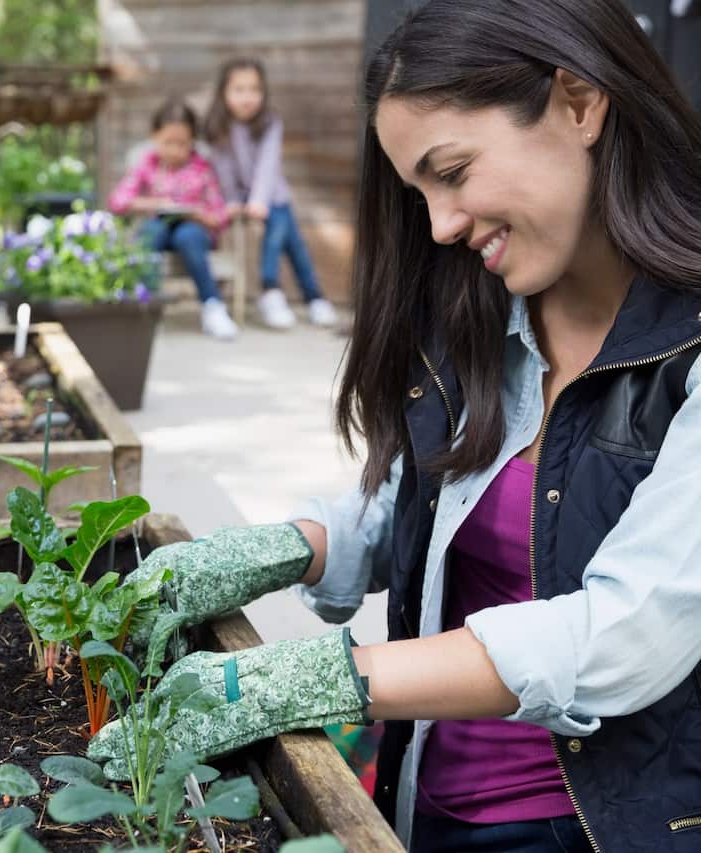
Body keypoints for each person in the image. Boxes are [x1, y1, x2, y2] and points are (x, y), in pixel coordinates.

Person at [90, 1, 701, 851]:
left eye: (451, 171)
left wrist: (314, 675)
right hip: (420, 800)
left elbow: (626, 632)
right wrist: (286, 546)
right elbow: (425, 511)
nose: (441, 226)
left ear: (579, 102)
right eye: (419, 192)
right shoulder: (487, 317)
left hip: (594, 826)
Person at [204, 58, 338, 330]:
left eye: (254, 89)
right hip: (240, 197)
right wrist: (231, 201)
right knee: (286, 237)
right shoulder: (217, 127)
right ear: (224, 93)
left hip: (272, 196)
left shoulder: (270, 123)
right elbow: (223, 169)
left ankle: (288, 293)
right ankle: (285, 295)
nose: (248, 97)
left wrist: (259, 200)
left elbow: (268, 165)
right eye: (239, 89)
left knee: (289, 241)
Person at [109, 97, 238, 340]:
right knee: (152, 231)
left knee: (187, 235)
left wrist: (196, 213)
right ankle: (145, 304)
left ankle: (213, 307)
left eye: (183, 144)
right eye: (168, 142)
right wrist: (156, 203)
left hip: (194, 232)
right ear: (154, 137)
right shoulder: (147, 164)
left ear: (192, 142)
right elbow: (118, 201)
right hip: (160, 227)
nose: (176, 150)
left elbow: (219, 216)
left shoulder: (202, 168)